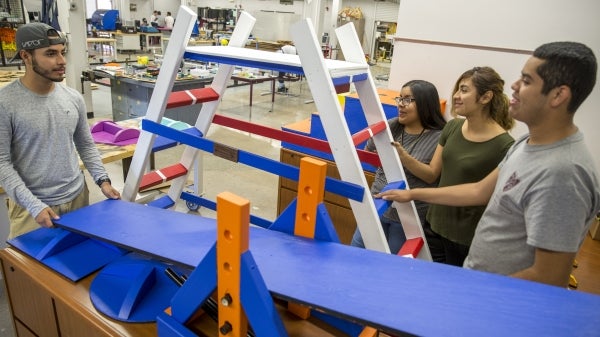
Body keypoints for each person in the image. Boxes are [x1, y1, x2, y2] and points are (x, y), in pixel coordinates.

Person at [378, 42, 599, 288]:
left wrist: (475, 290)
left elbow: (549, 277)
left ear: (559, 95)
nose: (514, 87)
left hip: (492, 299)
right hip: (473, 275)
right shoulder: (526, 143)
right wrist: (412, 193)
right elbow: (478, 191)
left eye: (526, 81)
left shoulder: (564, 172)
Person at [0, 23, 121, 239]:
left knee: (78, 267)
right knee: (33, 272)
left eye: (62, 53)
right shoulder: (5, 104)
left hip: (77, 199)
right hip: (32, 210)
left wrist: (102, 180)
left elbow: (85, 144)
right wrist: (33, 205)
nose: (62, 61)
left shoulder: (73, 98)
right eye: (50, 54)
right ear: (26, 56)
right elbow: (2, 163)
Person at [388, 67, 515, 265]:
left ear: (486, 97)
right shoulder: (453, 126)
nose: (456, 96)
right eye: (457, 89)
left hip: (466, 237)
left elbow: (484, 194)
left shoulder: (505, 145)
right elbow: (432, 173)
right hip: (434, 224)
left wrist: (413, 193)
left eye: (464, 90)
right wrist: (404, 156)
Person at [350, 80, 447, 254]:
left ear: (425, 104)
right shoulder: (392, 125)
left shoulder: (439, 136)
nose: (401, 104)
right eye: (400, 98)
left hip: (407, 215)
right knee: (355, 252)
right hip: (378, 204)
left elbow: (431, 176)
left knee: (391, 266)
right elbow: (368, 153)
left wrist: (402, 157)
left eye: (408, 100)